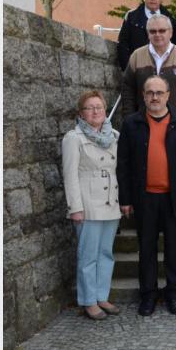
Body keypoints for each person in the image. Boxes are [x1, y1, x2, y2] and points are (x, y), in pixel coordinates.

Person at [117, 75, 176, 316]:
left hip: (175, 197)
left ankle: (173, 293)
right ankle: (148, 294)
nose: (154, 97)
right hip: (144, 197)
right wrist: (125, 198)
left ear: (168, 95)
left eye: (159, 92)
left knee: (175, 248)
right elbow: (123, 164)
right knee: (146, 249)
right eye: (150, 92)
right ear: (143, 96)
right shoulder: (131, 124)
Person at [61, 90, 122, 320]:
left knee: (106, 253)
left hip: (110, 202)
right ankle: (88, 300)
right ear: (81, 113)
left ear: (105, 110)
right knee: (88, 255)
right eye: (89, 108)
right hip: (87, 205)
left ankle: (101, 296)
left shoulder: (114, 135)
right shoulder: (73, 138)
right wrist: (75, 208)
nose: (95, 111)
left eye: (99, 107)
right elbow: (70, 175)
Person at [120, 15, 176, 140]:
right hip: (144, 126)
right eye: (153, 31)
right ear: (148, 34)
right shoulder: (136, 56)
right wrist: (129, 118)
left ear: (170, 32)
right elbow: (127, 90)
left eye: (162, 30)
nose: (157, 34)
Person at [116, 0, 176, 70]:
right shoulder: (132, 17)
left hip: (165, 69)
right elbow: (122, 44)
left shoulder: (170, 19)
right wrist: (128, 69)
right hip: (138, 68)